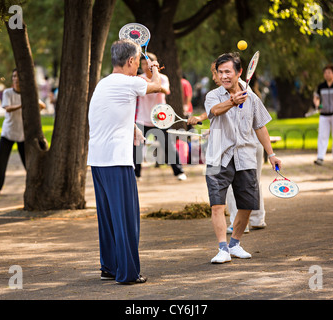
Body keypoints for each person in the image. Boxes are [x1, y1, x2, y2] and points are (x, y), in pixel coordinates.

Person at [88, 39, 163, 284]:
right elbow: (156, 88)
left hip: (98, 161)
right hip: (116, 161)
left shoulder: (104, 83)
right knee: (126, 218)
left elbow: (113, 113)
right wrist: (154, 69)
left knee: (108, 217)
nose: (139, 65)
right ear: (131, 61)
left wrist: (133, 130)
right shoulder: (128, 82)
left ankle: (109, 267)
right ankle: (128, 273)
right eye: (138, 60)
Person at [204, 52, 281, 264]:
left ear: (239, 73)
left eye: (228, 71)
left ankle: (235, 244)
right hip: (216, 156)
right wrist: (231, 101)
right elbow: (214, 111)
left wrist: (271, 154)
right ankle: (222, 249)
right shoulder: (213, 95)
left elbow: (260, 126)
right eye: (220, 72)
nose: (223, 76)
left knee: (248, 204)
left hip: (245, 156)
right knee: (217, 205)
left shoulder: (252, 98)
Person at [189, 62, 267, 233]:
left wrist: (272, 153)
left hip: (247, 148)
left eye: (217, 73)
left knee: (243, 187)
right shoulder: (217, 95)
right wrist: (213, 129)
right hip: (244, 147)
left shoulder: (248, 95)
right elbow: (220, 113)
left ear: (235, 73)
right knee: (252, 185)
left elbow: (253, 123)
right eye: (217, 73)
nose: (215, 77)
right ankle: (256, 219)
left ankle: (241, 221)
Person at [0, 69, 46, 196]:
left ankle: (40, 186)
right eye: (14, 76)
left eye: (18, 76)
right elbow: (8, 108)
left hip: (23, 135)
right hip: (8, 133)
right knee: (0, 161)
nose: (16, 79)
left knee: (29, 162)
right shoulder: (8, 93)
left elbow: (42, 106)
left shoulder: (28, 94)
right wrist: (24, 104)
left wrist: (32, 98)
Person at [133, 52, 187, 181]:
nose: (145, 66)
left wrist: (150, 82)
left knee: (168, 145)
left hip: (160, 118)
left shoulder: (162, 78)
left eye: (147, 63)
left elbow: (165, 90)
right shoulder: (138, 78)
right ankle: (136, 175)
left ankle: (179, 172)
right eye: (143, 64)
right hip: (142, 117)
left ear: (154, 64)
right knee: (137, 148)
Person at [313, 64, 333, 166]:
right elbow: (316, 98)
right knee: (322, 135)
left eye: (329, 72)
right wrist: (317, 105)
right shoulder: (321, 86)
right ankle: (320, 157)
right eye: (325, 73)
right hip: (324, 114)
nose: (327, 74)